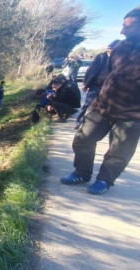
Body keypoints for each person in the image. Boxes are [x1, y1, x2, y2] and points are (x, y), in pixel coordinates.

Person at [60, 5, 140, 195]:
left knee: (118, 151)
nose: (122, 31)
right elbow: (110, 73)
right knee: (82, 138)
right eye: (122, 26)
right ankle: (81, 172)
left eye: (127, 27)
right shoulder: (121, 46)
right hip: (101, 106)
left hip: (131, 113)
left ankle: (105, 180)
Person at [74, 39, 120, 130]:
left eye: (111, 52)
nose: (109, 53)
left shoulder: (119, 59)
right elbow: (91, 70)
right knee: (87, 105)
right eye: (108, 51)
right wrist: (85, 83)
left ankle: (97, 126)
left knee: (105, 107)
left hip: (109, 88)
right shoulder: (101, 57)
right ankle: (79, 122)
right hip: (95, 86)